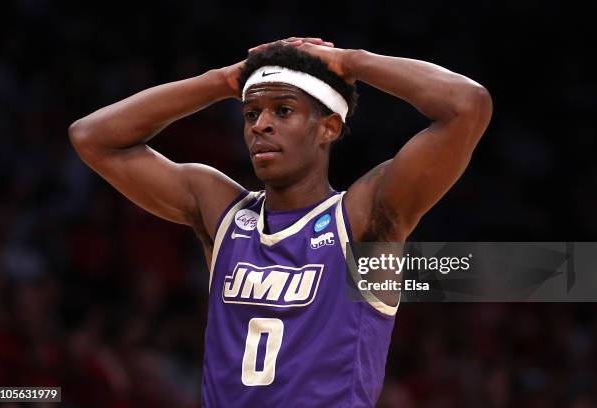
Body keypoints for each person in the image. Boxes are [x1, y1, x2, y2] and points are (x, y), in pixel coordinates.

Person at [69, 36, 492, 407]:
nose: (262, 125)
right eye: (251, 113)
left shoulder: (364, 219)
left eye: (283, 111)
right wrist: (222, 81)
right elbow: (92, 137)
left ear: (328, 127)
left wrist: (351, 61)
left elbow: (466, 105)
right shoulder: (223, 212)